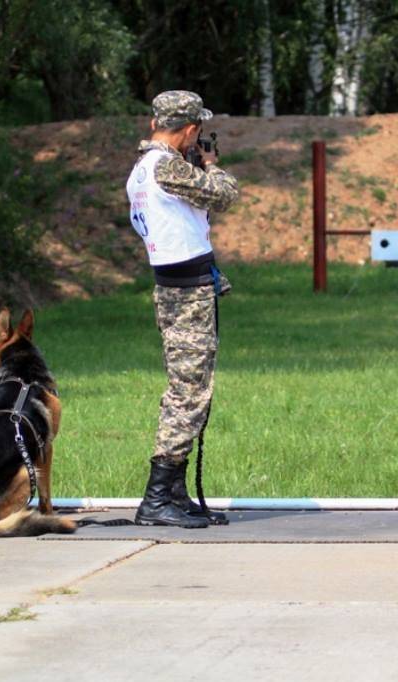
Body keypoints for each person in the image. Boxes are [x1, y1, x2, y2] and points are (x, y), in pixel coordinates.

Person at [125, 90, 240, 528]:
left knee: (189, 389)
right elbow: (224, 194)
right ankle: (158, 497)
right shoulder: (167, 166)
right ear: (189, 129)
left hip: (178, 286)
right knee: (188, 394)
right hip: (186, 291)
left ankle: (173, 494)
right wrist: (211, 164)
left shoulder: (144, 168)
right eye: (196, 132)